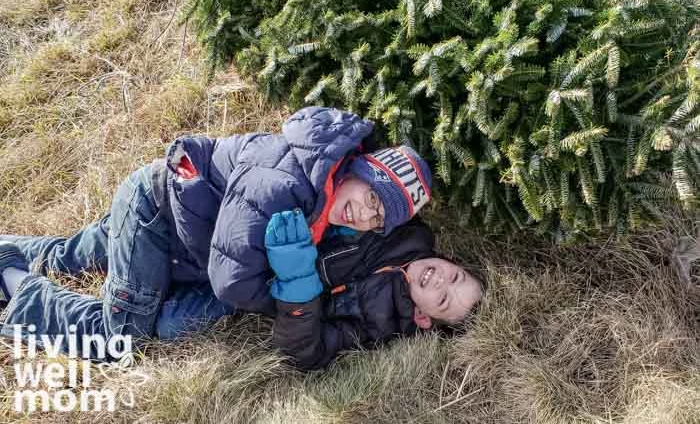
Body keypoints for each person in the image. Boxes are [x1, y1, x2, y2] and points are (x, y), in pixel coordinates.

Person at [0, 106, 438, 360]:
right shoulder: (284, 183)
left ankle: (8, 250)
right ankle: (15, 284)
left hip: (187, 231)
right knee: (121, 337)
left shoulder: (327, 200)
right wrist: (295, 289)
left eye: (378, 220)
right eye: (373, 199)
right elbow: (230, 281)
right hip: (158, 213)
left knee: (72, 257)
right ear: (360, 168)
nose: (365, 215)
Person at [266, 210, 483, 370]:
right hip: (307, 212)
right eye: (455, 277)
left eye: (443, 300)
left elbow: (306, 353)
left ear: (422, 317)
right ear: (454, 263)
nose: (441, 281)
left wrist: (297, 281)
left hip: (276, 265)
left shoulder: (378, 325)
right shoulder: (412, 232)